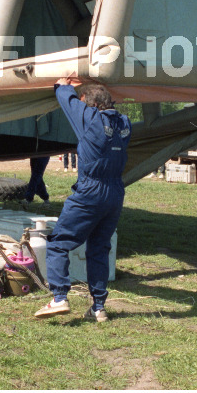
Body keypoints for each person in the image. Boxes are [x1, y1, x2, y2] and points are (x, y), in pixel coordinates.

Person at [35, 78, 130, 323]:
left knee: (57, 243)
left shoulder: (91, 120)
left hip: (90, 191)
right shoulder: (124, 124)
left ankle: (59, 298)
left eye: (84, 103)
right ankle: (98, 308)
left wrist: (63, 85)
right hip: (115, 193)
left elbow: (66, 100)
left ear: (92, 105)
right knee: (99, 248)